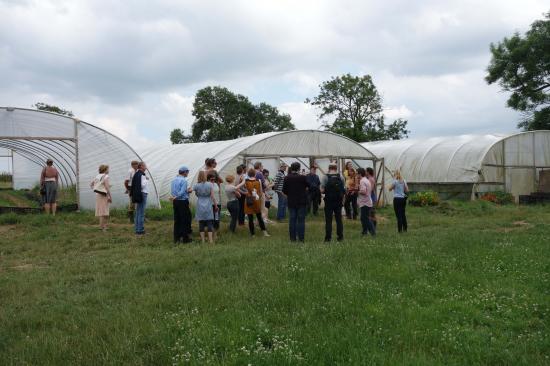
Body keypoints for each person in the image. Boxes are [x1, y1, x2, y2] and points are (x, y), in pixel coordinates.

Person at [283, 162, 309, 242]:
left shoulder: (287, 178)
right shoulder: (303, 177)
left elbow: (284, 190)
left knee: (292, 220)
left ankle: (292, 239)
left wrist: (290, 194)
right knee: (301, 220)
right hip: (301, 201)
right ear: (299, 169)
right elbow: (309, 186)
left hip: (291, 201)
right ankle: (301, 239)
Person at [321, 163, 345, 242]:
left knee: (328, 220)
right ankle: (340, 237)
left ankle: (328, 238)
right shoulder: (340, 177)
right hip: (338, 201)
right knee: (339, 220)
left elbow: (322, 190)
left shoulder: (325, 177)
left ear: (329, 168)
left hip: (329, 201)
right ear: (336, 168)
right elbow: (343, 189)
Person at [244, 168, 270, 237]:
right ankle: (264, 232)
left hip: (249, 201)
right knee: (259, 217)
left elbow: (241, 189)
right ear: (255, 174)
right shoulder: (259, 181)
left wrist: (247, 194)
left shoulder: (246, 181)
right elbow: (261, 192)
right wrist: (258, 197)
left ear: (248, 174)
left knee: (250, 218)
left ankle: (252, 234)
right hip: (256, 200)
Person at [170, 166, 193, 244]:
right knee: (185, 220)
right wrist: (185, 192)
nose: (187, 174)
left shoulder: (173, 180)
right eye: (187, 172)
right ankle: (185, 239)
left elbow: (173, 191)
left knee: (177, 220)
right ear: (185, 172)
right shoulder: (184, 181)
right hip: (182, 201)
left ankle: (176, 238)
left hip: (175, 201)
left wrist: (174, 197)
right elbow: (182, 192)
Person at [194, 170, 216, 243]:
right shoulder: (210, 184)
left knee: (201, 222)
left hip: (200, 203)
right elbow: (212, 196)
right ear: (205, 176)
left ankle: (203, 240)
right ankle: (210, 240)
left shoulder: (196, 185)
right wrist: (215, 205)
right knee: (209, 221)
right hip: (208, 203)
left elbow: (196, 194)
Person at [90, 164, 112, 231]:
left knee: (101, 211)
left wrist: (97, 189)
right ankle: (104, 227)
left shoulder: (97, 176)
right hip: (104, 195)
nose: (108, 170)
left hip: (98, 195)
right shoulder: (106, 176)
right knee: (104, 211)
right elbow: (107, 187)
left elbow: (91, 184)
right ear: (105, 170)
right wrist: (110, 196)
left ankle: (101, 226)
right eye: (108, 169)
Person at [130, 161, 148, 235]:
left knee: (138, 212)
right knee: (141, 212)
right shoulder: (142, 175)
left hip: (137, 194)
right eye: (145, 166)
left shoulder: (136, 174)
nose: (146, 167)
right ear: (141, 167)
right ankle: (140, 230)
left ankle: (137, 229)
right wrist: (146, 179)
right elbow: (142, 185)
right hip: (142, 194)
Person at [358, 168, 376, 237]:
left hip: (364, 202)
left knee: (365, 218)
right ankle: (364, 232)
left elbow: (364, 191)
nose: (356, 175)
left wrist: (358, 191)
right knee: (364, 218)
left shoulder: (362, 181)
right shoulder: (366, 180)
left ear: (360, 174)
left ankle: (372, 232)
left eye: (357, 173)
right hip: (368, 201)